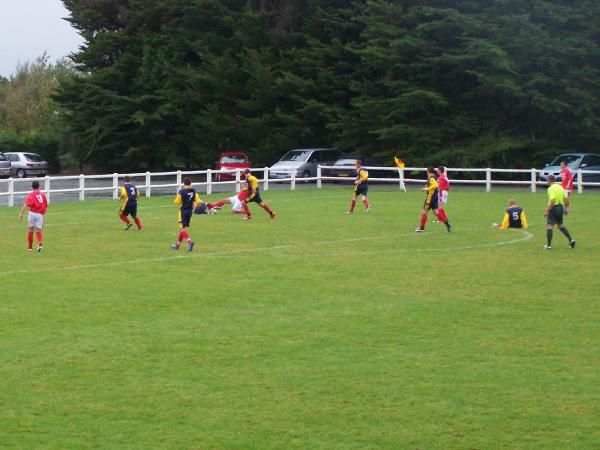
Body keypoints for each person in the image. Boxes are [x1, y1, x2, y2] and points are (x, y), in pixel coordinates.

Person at [415, 166, 451, 232]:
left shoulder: (431, 178)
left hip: (430, 198)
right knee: (436, 213)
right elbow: (434, 185)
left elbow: (435, 185)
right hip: (434, 198)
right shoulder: (435, 177)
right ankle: (447, 224)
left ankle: (421, 228)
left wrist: (426, 189)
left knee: (424, 212)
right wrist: (428, 186)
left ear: (428, 171)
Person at [544, 175, 575, 250]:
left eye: (547, 180)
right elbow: (566, 199)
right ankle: (571, 240)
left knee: (549, 226)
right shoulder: (560, 187)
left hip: (554, 208)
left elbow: (552, 200)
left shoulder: (550, 189)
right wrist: (567, 208)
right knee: (560, 225)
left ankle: (548, 245)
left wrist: (547, 210)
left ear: (549, 180)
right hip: (561, 207)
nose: (546, 182)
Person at [18, 181, 48, 252]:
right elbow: (45, 206)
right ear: (39, 186)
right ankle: (40, 243)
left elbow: (26, 205)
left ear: (32, 187)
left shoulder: (31, 195)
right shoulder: (43, 195)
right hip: (39, 214)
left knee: (30, 230)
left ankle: (30, 248)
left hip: (32, 214)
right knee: (39, 230)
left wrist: (21, 213)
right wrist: (43, 216)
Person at [171, 177, 200, 251]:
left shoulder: (181, 192)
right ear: (190, 183)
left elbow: (177, 202)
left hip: (183, 211)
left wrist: (176, 200)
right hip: (190, 211)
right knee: (182, 229)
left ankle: (190, 242)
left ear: (184, 184)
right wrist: (195, 206)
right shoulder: (194, 191)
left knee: (182, 229)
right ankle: (177, 245)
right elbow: (198, 202)